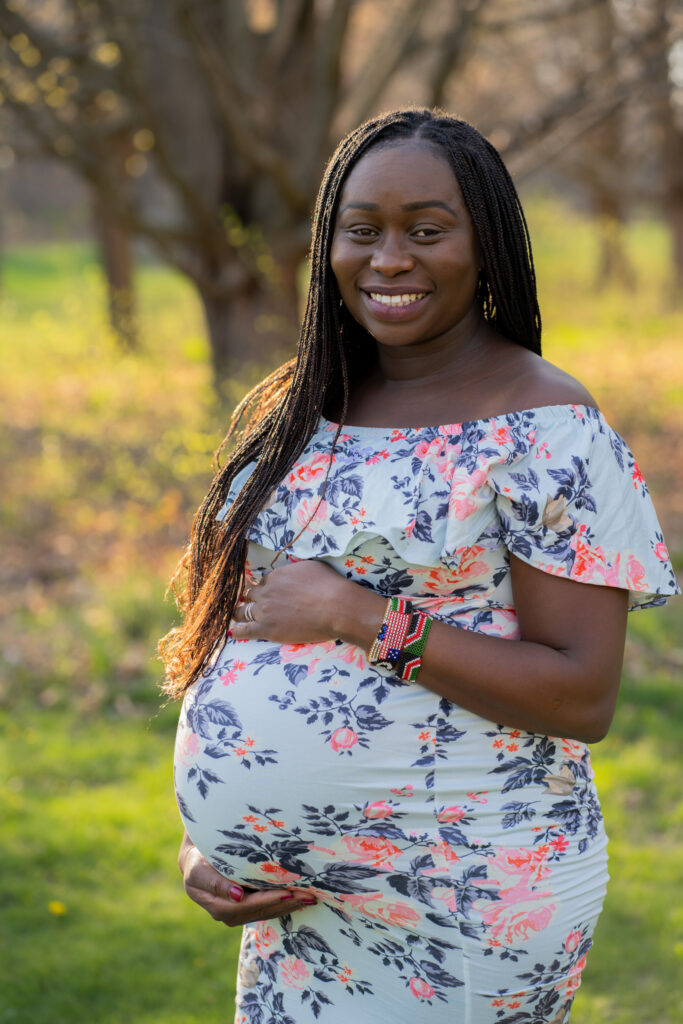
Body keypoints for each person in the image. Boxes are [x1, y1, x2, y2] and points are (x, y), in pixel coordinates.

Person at [162, 109, 679, 1024]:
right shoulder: (307, 404)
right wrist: (213, 848)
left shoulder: (543, 423)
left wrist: (360, 615)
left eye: (425, 231)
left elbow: (580, 695)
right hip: (292, 910)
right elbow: (251, 631)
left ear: (485, 248)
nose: (387, 259)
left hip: (466, 889)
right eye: (361, 231)